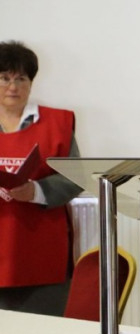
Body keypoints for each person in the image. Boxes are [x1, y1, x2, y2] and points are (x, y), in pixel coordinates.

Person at [0, 41, 82, 315]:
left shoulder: (57, 124)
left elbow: (75, 178)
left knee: (43, 332)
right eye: (4, 78)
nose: (13, 87)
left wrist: (35, 190)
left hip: (40, 252)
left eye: (21, 79)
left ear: (31, 83)